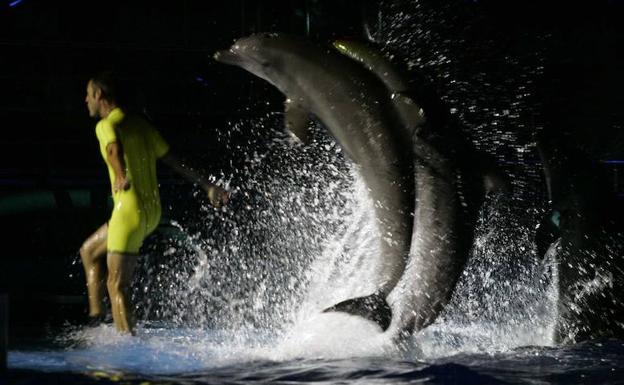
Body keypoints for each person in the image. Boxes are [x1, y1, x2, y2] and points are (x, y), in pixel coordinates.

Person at [79, 71, 229, 334]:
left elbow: (113, 150)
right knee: (89, 252)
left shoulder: (105, 125)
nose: (86, 100)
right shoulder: (141, 124)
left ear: (99, 95)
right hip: (151, 212)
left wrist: (121, 174)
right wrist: (208, 185)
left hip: (128, 211)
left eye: (88, 95)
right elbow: (173, 160)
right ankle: (95, 319)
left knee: (117, 285)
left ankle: (127, 346)